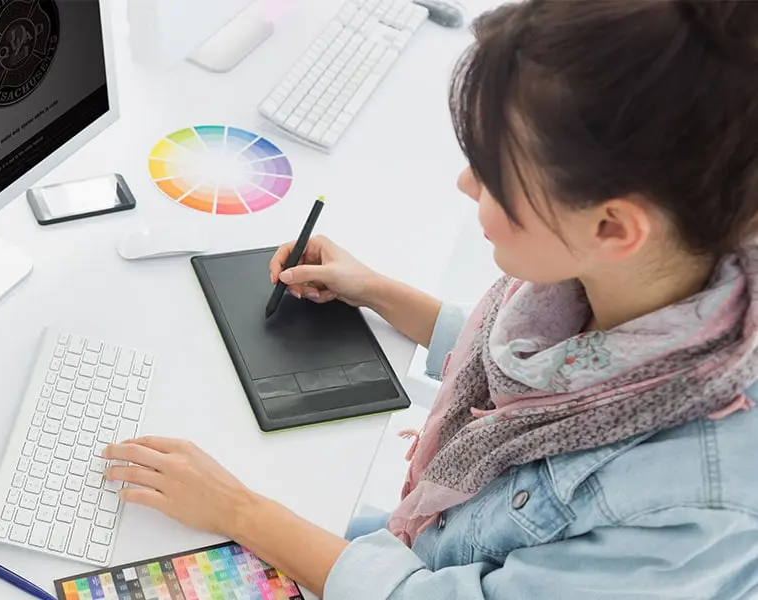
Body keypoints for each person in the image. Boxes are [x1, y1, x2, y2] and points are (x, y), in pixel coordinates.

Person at [103, 1, 758, 597]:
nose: (466, 182)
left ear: (613, 227)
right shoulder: (669, 273)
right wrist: (380, 293)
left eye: (495, 173)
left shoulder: (689, 512)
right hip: (412, 545)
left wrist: (237, 509)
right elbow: (550, 363)